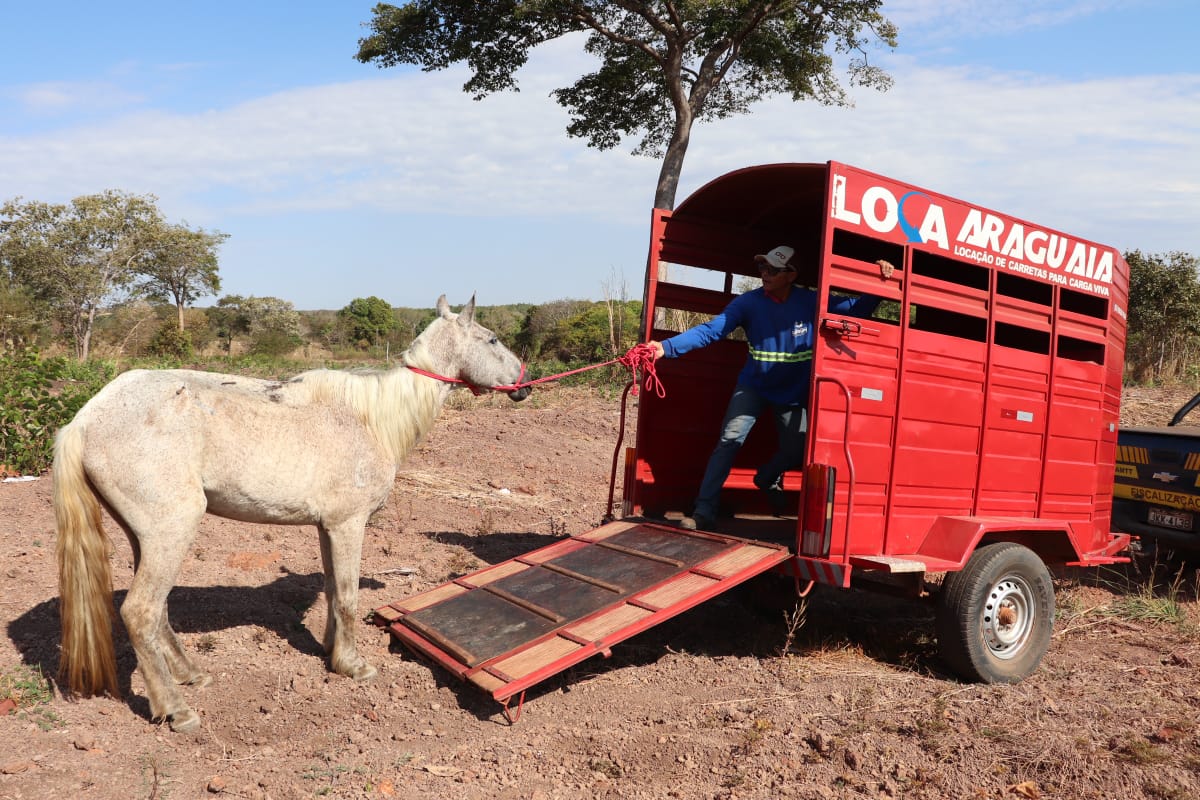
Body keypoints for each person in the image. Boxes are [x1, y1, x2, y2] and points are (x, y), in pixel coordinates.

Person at [650, 244, 894, 530]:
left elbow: (858, 309)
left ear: (791, 275)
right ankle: (703, 511)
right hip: (753, 386)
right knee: (729, 442)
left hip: (792, 394)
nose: (765, 274)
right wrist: (665, 347)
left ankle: (767, 477)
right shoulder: (749, 303)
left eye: (773, 270)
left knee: (797, 450)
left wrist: (881, 279)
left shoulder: (810, 302)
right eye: (763, 268)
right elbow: (710, 331)